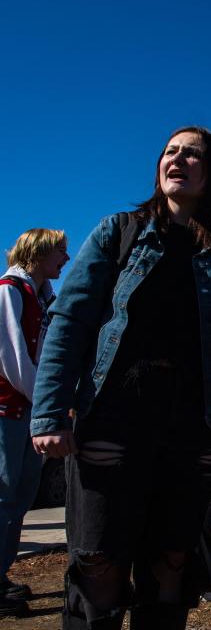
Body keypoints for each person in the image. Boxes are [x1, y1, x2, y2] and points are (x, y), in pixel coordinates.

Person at [30, 126, 211, 630]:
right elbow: (69, 321)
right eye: (169, 152)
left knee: (170, 567)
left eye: (191, 154)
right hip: (115, 412)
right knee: (99, 563)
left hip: (197, 422)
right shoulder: (120, 231)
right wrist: (49, 412)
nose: (176, 159)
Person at [0, 229, 69, 617]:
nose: (66, 257)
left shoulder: (44, 300)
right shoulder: (10, 291)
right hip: (9, 410)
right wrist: (46, 400)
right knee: (4, 496)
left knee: (20, 498)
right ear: (39, 252)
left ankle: (1, 574)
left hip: (28, 411)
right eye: (60, 251)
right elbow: (12, 357)